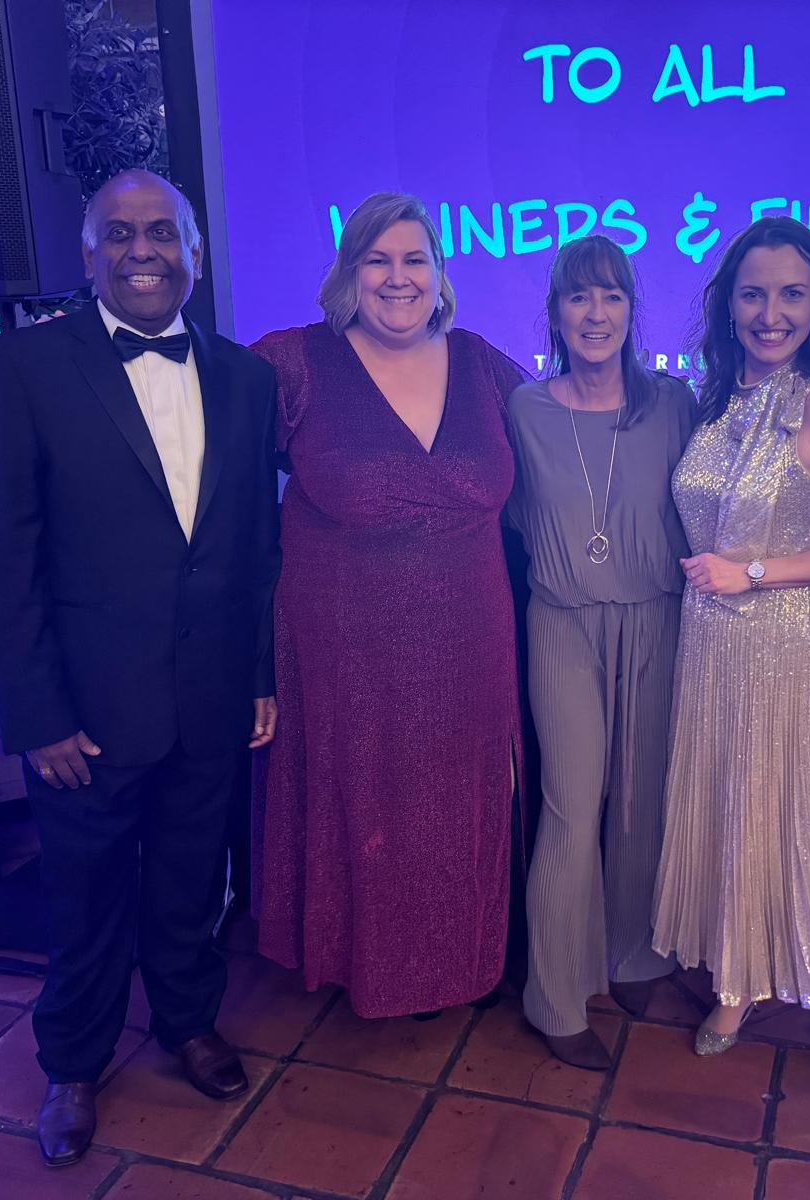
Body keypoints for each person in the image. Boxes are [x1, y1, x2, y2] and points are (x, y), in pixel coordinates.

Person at [0, 170, 281, 1166]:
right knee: (84, 892)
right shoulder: (22, 370)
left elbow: (253, 547)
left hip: (212, 692)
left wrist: (260, 676)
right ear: (90, 256)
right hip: (84, 712)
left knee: (193, 880)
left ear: (195, 254)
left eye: (163, 234)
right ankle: (72, 1060)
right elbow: (2, 558)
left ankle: (187, 1022)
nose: (143, 250)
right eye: (121, 234)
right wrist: (36, 713)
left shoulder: (245, 377)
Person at [251, 192, 526, 1018]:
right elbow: (215, 484)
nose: (397, 278)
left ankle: (459, 965)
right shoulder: (292, 364)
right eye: (377, 259)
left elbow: (572, 441)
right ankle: (358, 964)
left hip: (471, 640)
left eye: (416, 259)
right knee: (364, 801)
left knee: (454, 806)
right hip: (346, 653)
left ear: (441, 274)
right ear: (348, 272)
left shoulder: (484, 364)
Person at [652, 217, 810, 1057]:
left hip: (786, 638)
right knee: (727, 805)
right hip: (710, 640)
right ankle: (740, 974)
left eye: (792, 293)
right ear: (729, 303)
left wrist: (750, 573)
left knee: (789, 811)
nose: (770, 312)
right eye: (753, 293)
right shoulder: (717, 398)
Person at [506, 236, 696, 1069]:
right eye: (579, 298)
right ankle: (554, 997)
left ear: (630, 311)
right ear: (554, 313)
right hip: (562, 621)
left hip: (657, 617)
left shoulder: (674, 403)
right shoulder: (524, 409)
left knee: (644, 798)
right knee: (572, 804)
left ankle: (634, 955)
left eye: (611, 297)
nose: (595, 313)